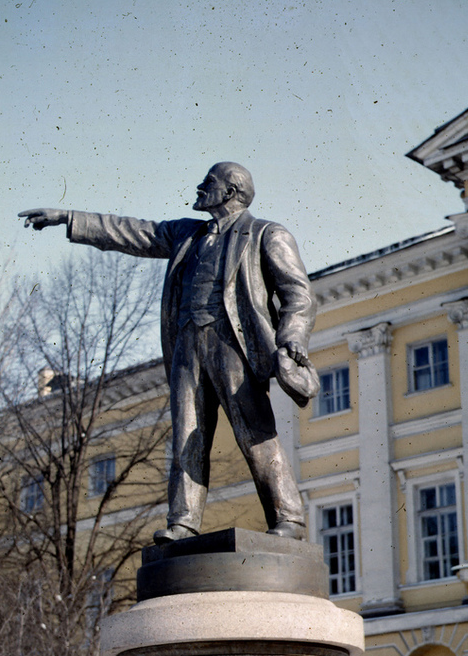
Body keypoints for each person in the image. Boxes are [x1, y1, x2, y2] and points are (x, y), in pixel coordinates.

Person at [19, 162, 318, 544]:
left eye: (208, 183)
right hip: (187, 345)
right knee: (186, 436)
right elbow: (131, 232)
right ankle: (183, 522)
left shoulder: (265, 234)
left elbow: (299, 294)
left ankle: (288, 518)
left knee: (255, 435)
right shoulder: (186, 234)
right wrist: (69, 219)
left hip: (234, 346)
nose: (198, 187)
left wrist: (292, 339)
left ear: (230, 192)